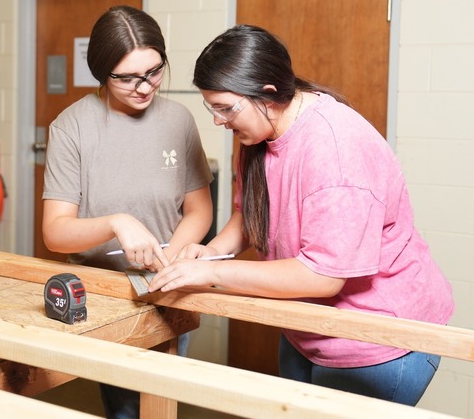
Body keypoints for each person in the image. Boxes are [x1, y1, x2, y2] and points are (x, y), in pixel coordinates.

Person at [148, 24, 455, 406]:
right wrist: (212, 251)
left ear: (269, 93)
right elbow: (250, 212)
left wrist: (212, 273)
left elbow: (323, 275)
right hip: (307, 325)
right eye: (212, 108)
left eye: (226, 108)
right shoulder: (258, 131)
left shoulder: (335, 150)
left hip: (379, 338)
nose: (218, 121)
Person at [41, 5, 214, 418]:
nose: (144, 86)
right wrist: (117, 223)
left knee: (161, 402)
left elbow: (199, 211)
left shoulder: (178, 120)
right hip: (107, 295)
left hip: (168, 287)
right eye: (127, 77)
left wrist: (170, 256)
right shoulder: (73, 127)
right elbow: (56, 232)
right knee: (125, 408)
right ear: (102, 73)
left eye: (154, 71)